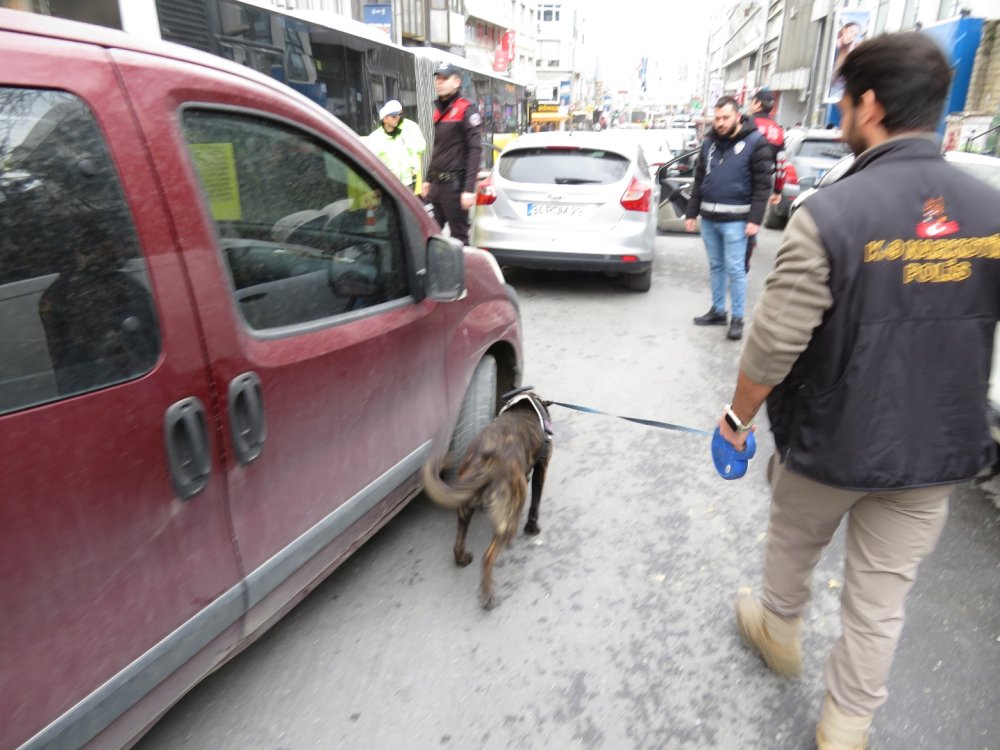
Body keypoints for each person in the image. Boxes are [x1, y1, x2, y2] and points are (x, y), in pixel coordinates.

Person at [717, 32, 1000, 750]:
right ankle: (845, 727)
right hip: (936, 451)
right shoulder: (990, 212)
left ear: (869, 105)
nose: (841, 110)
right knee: (881, 601)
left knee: (792, 542)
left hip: (829, 441)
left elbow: (775, 343)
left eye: (844, 98)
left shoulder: (832, 214)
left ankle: (777, 628)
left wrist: (735, 420)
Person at [685, 95, 773, 341]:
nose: (720, 122)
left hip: (737, 221)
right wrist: (692, 212)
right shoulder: (709, 143)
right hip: (710, 219)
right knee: (716, 266)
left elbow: (763, 185)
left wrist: (755, 219)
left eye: (725, 117)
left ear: (737, 116)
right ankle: (718, 311)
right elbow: (699, 179)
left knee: (736, 269)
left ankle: (737, 318)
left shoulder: (756, 142)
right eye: (717, 118)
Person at [421, 62, 483, 245]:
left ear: (456, 82)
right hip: (437, 187)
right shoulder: (439, 110)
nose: (439, 82)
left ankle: (463, 273)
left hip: (455, 188)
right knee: (427, 232)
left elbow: (475, 149)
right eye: (437, 78)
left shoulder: (466, 109)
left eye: (445, 78)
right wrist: (427, 179)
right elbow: (439, 147)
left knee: (459, 238)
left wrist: (468, 190)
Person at [746, 88, 786, 271]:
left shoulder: (747, 123)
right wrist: (777, 190)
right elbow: (781, 164)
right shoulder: (778, 131)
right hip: (763, 183)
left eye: (752, 101)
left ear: (757, 103)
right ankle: (747, 252)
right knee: (753, 220)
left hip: (743, 178)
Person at [364, 99, 426, 193]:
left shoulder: (404, 132)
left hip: (408, 185)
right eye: (394, 116)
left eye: (399, 115)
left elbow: (417, 150)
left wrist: (413, 169)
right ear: (385, 119)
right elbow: (369, 163)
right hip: (389, 187)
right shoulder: (375, 138)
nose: (398, 118)